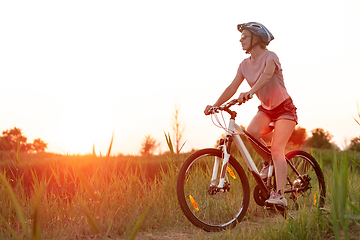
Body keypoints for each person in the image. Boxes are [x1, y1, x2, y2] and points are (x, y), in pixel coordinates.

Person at [204, 22, 298, 208]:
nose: (241, 40)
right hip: (267, 109)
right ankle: (266, 162)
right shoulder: (244, 65)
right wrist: (215, 105)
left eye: (244, 36)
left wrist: (251, 91)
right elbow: (232, 87)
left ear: (257, 38)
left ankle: (280, 195)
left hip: (284, 109)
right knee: (251, 132)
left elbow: (267, 75)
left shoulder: (270, 57)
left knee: (277, 150)